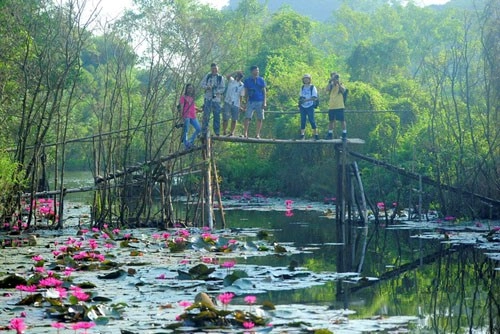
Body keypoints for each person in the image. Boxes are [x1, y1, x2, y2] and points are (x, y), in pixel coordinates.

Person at [201, 63, 225, 136]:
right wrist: (207, 87)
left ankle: (217, 132)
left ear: (218, 69)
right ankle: (204, 132)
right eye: (213, 69)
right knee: (206, 116)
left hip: (217, 100)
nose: (214, 70)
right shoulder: (208, 76)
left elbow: (223, 88)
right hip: (208, 98)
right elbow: (202, 84)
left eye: (215, 68)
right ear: (211, 69)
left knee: (217, 116)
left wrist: (216, 91)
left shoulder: (220, 78)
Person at [243, 65, 267, 139]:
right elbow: (246, 92)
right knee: (247, 117)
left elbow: (264, 91)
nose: (257, 72)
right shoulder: (247, 80)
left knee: (260, 118)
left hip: (260, 100)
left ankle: (257, 134)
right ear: (252, 71)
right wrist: (245, 102)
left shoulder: (261, 80)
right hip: (250, 101)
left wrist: (264, 102)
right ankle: (245, 133)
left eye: (258, 70)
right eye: (256, 70)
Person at [222, 71, 245, 136]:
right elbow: (227, 75)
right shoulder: (231, 80)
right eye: (238, 75)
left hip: (236, 104)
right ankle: (224, 131)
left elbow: (241, 96)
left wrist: (240, 105)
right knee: (225, 118)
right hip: (227, 102)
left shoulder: (242, 85)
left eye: (240, 76)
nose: (239, 77)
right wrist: (235, 71)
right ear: (236, 75)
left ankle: (232, 132)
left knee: (234, 119)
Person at [326, 72, 347, 141]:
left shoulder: (340, 84)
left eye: (336, 77)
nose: (334, 79)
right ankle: (330, 133)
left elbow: (343, 90)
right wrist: (330, 82)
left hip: (340, 105)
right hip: (332, 106)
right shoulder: (331, 85)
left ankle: (344, 133)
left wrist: (338, 83)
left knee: (342, 120)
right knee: (331, 121)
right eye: (333, 77)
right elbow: (327, 89)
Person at [179, 84, 201, 149]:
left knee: (199, 128)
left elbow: (192, 106)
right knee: (186, 130)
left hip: (193, 115)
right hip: (186, 115)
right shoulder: (183, 97)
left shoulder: (192, 98)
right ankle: (186, 144)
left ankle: (190, 142)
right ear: (186, 89)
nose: (190, 90)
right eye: (189, 88)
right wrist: (181, 116)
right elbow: (182, 107)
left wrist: (198, 109)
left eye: (191, 88)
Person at [298, 74, 319, 140]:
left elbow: (314, 97)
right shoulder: (302, 87)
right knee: (303, 120)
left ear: (309, 79)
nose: (306, 79)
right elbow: (300, 96)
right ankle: (302, 135)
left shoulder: (312, 87)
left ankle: (316, 134)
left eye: (307, 78)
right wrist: (301, 101)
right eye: (304, 78)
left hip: (310, 105)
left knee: (311, 120)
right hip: (303, 106)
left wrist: (306, 100)